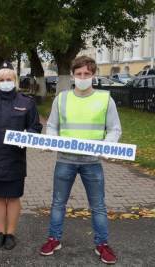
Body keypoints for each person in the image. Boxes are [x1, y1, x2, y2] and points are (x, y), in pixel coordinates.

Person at [39, 56, 121, 265]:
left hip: (92, 162)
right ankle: (54, 239)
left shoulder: (105, 99)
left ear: (93, 75)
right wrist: (52, 141)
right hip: (65, 160)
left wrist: (107, 145)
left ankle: (102, 244)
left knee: (98, 206)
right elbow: (52, 126)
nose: (83, 77)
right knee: (58, 203)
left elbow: (114, 129)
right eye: (79, 74)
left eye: (87, 74)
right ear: (73, 75)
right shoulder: (62, 98)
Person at [0, 62, 42, 250]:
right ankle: (0, 232)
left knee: (12, 197)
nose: (5, 82)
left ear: (15, 81)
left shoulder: (26, 102)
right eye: (1, 80)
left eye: (9, 79)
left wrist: (29, 136)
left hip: (15, 158)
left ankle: (10, 233)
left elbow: (36, 127)